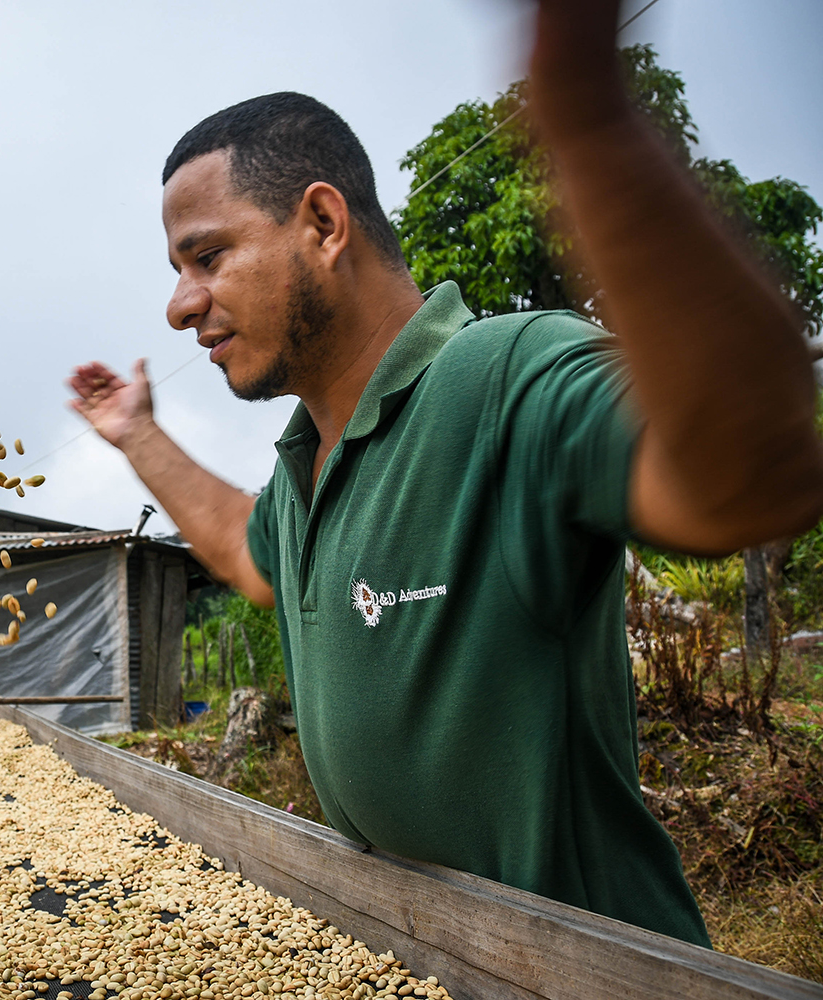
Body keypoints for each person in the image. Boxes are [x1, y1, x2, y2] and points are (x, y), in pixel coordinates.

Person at [67, 0, 823, 948]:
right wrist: (135, 434)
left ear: (324, 224)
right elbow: (244, 549)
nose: (179, 308)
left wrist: (588, 120)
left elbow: (755, 475)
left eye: (207, 256)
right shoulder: (308, 462)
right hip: (424, 959)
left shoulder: (504, 377)